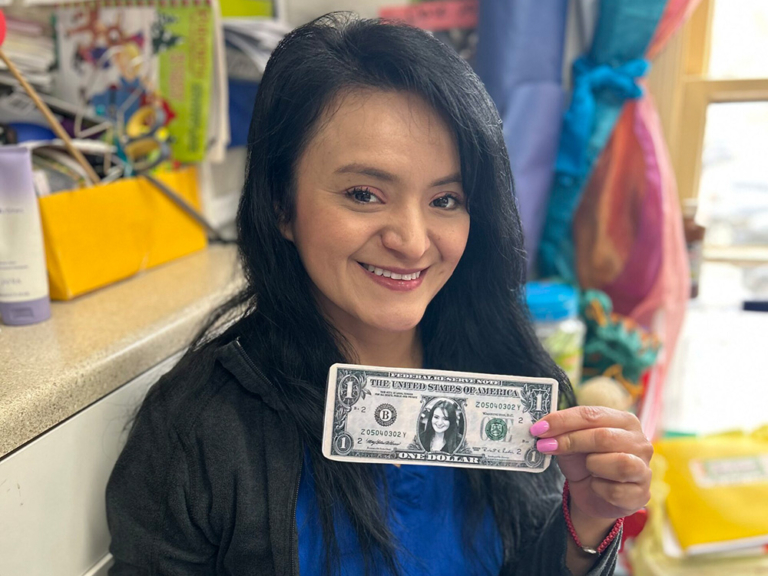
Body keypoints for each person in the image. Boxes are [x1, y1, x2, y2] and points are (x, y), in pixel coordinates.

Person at [106, 13, 653, 576]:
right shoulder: (200, 430)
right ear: (280, 203)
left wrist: (586, 523)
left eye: (446, 200)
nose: (413, 242)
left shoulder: (515, 394)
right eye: (364, 193)